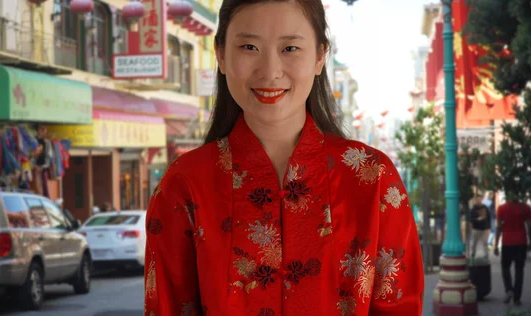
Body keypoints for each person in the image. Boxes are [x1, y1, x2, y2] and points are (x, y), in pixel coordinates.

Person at [144, 0, 424, 314]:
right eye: (249, 46)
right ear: (221, 54)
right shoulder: (184, 183)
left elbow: (399, 305)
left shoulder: (372, 178)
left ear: (320, 56)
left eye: (290, 48)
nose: (270, 71)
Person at [494, 197, 531, 306]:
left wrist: (496, 244)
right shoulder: (525, 208)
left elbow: (498, 227)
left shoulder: (502, 208)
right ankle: (517, 298)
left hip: (507, 243)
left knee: (505, 268)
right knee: (519, 270)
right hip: (521, 242)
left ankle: (509, 289)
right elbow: (529, 226)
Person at [469, 194, 491, 259]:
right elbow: (471, 219)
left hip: (484, 228)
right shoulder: (473, 209)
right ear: (476, 200)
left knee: (485, 242)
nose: (479, 201)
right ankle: (473, 254)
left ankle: (486, 255)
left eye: (480, 199)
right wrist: (477, 219)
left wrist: (489, 227)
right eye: (477, 199)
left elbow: (489, 217)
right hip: (476, 228)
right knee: (474, 243)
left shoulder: (485, 207)